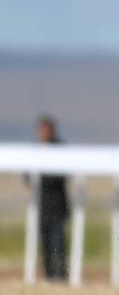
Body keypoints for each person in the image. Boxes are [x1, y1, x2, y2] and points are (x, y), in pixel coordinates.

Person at [31, 116, 70, 281]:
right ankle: (48, 275)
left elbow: (63, 175)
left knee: (58, 243)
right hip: (42, 207)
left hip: (59, 206)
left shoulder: (59, 149)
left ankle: (60, 275)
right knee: (45, 244)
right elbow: (28, 176)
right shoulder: (36, 151)